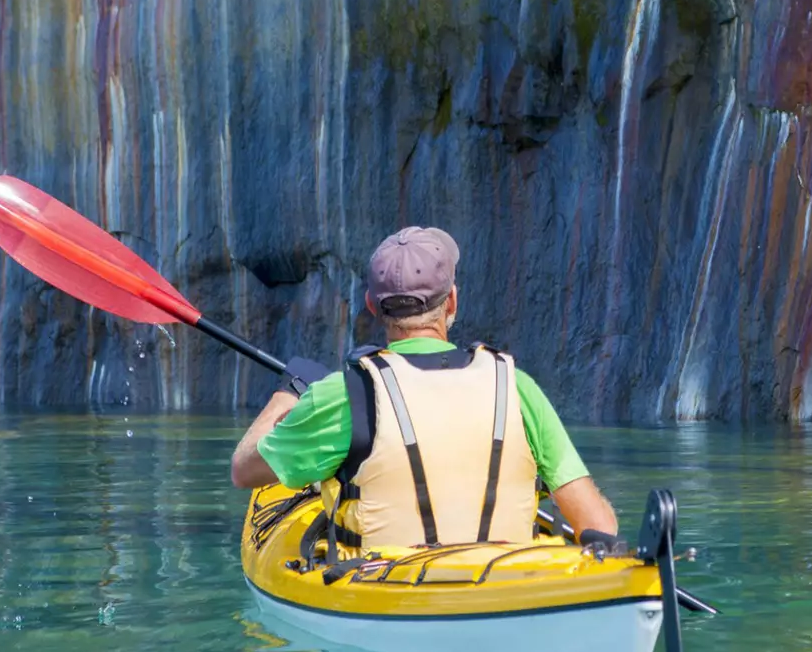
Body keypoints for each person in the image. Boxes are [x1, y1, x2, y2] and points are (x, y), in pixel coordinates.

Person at [230, 225, 617, 549]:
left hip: (384, 593)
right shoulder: (516, 387)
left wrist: (290, 391)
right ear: (451, 301)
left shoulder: (345, 394)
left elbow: (244, 471)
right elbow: (598, 525)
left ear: (370, 305)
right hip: (507, 585)